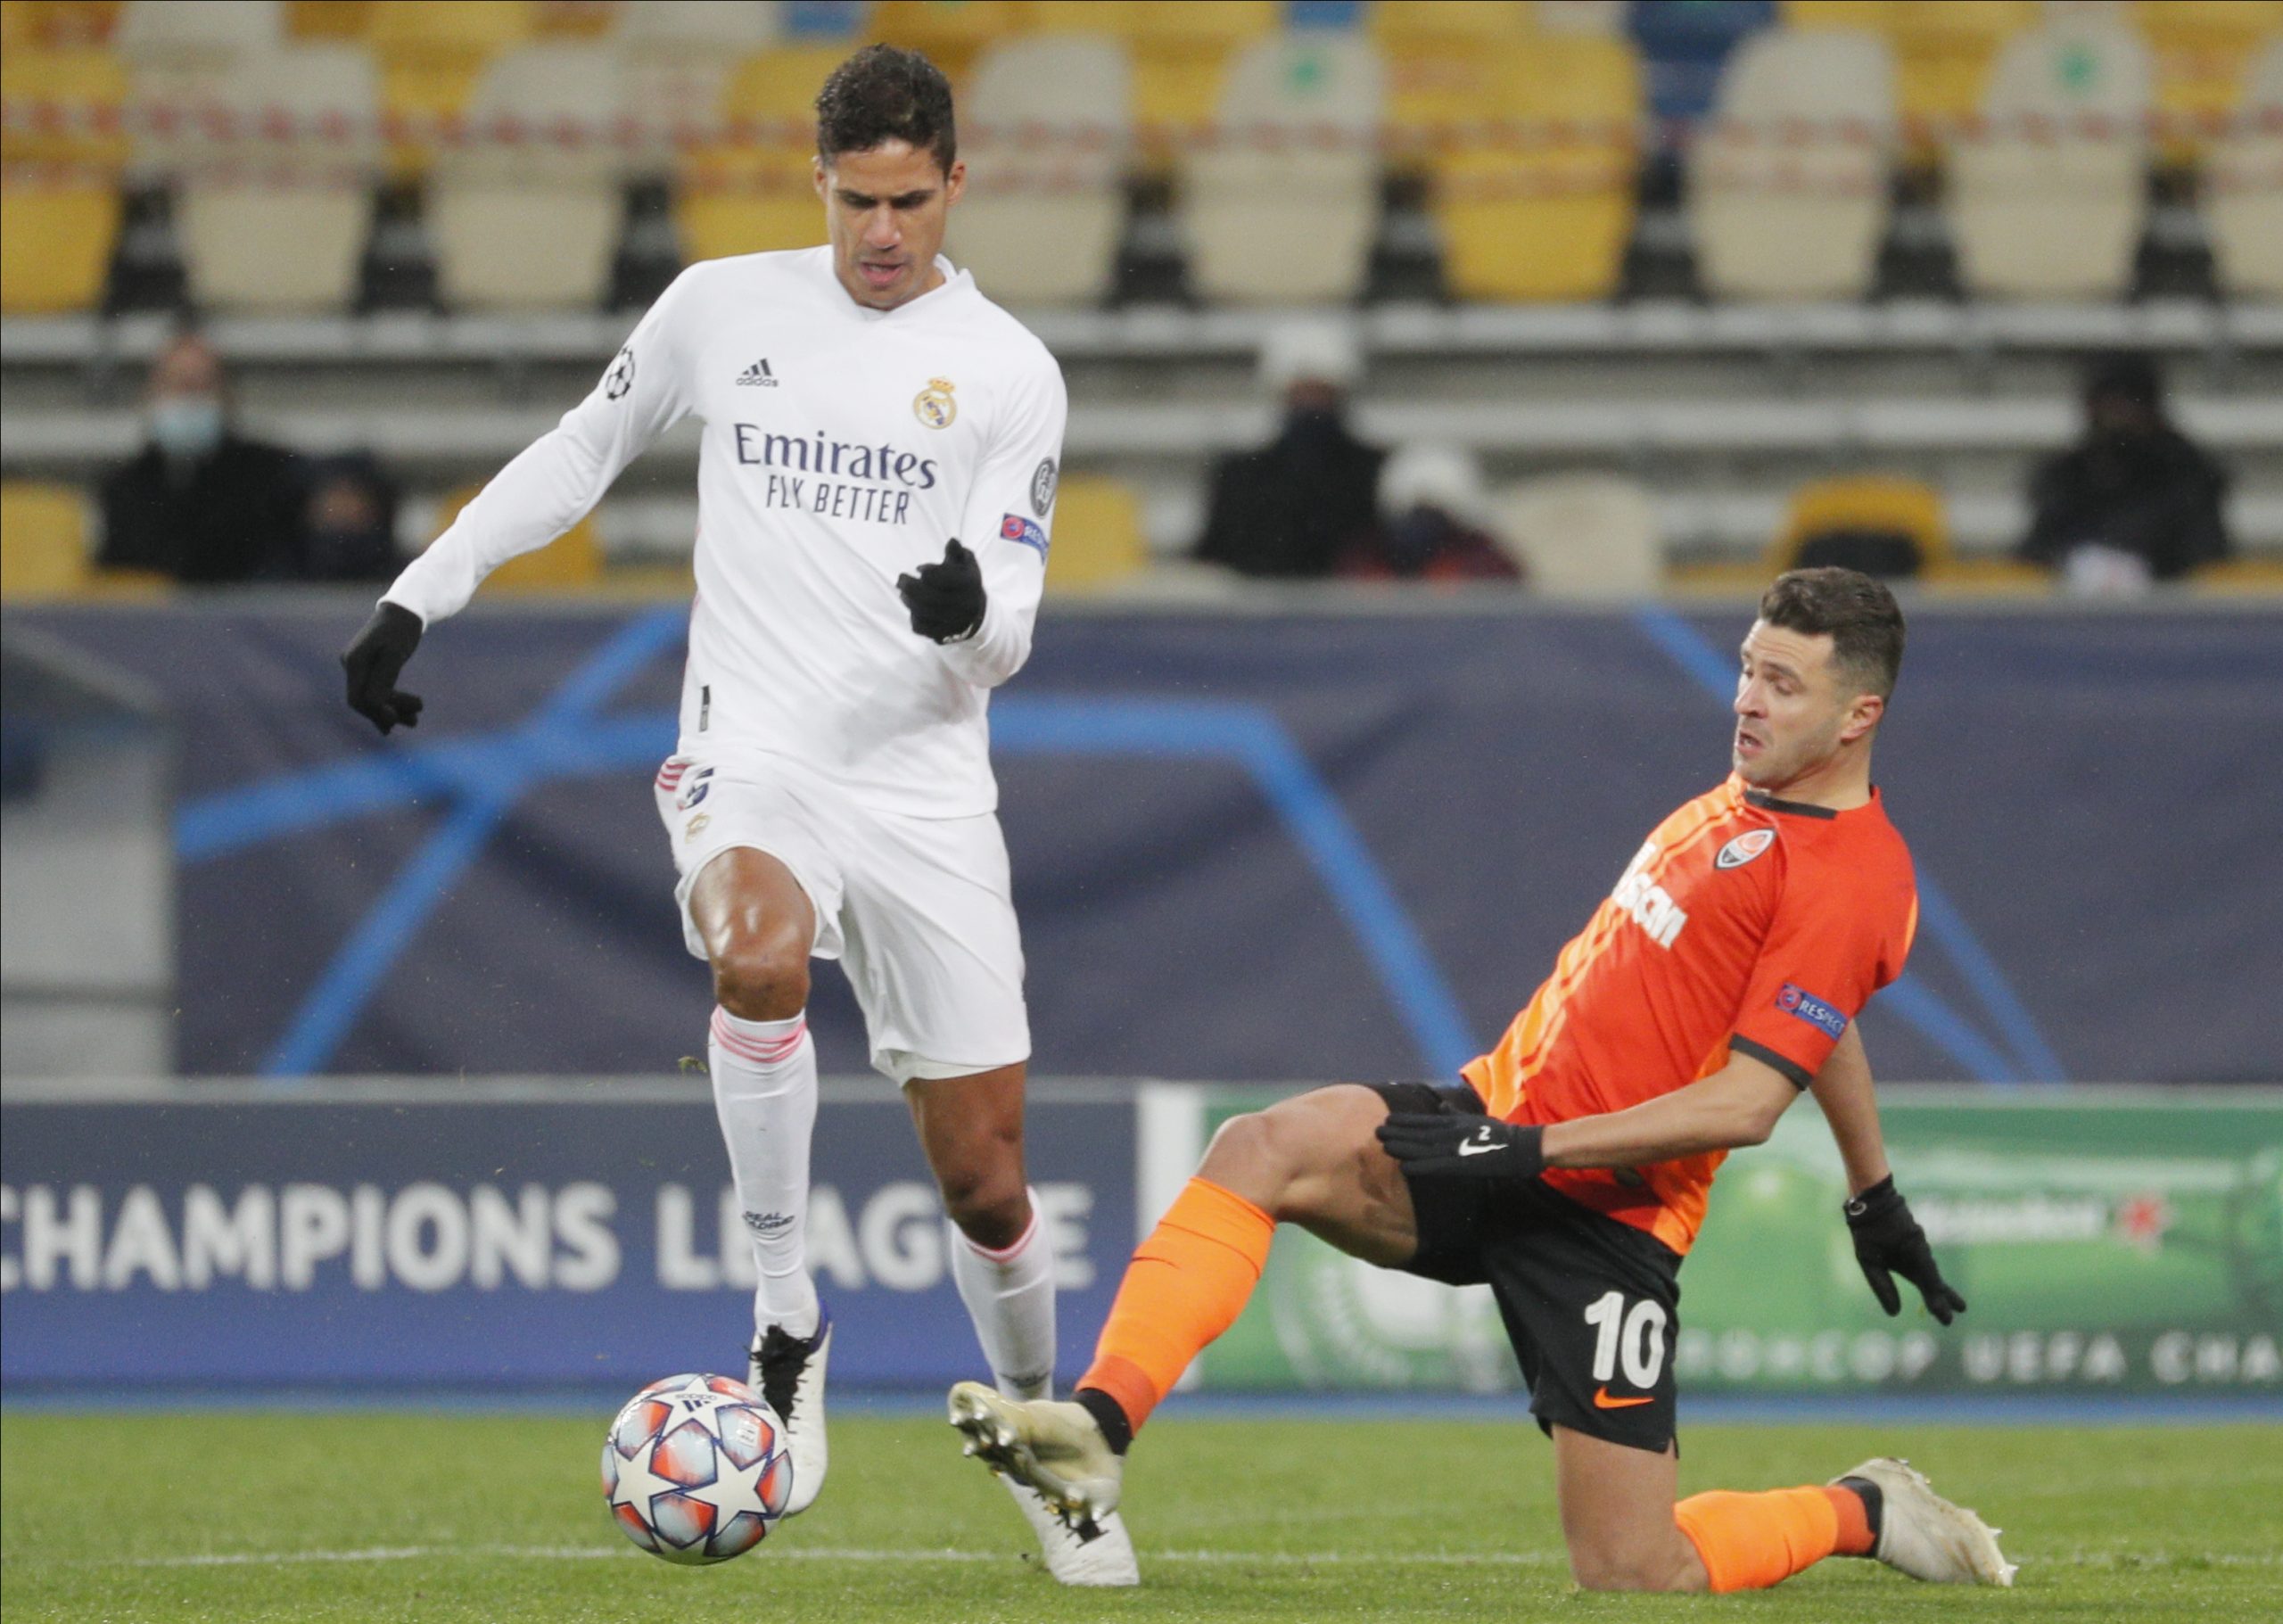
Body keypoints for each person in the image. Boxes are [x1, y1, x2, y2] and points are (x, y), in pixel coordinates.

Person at [337, 45, 1135, 1586]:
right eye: (856, 202)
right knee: (755, 959)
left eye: (910, 201)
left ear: (957, 186)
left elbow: (1012, 619)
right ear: (817, 183)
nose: (882, 233)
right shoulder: (720, 307)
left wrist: (969, 615)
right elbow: (583, 449)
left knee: (987, 1182)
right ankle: (786, 1312)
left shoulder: (1013, 369)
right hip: (751, 756)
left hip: (923, 789)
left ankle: (1048, 1448)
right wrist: (414, 597)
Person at [951, 568, 2016, 1595]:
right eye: (1746, 666)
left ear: (1856, 716)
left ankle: (1862, 1511)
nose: (1745, 699)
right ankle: (1097, 1429)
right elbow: (1805, 1015)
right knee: (1260, 1147)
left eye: (1783, 684)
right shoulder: (1752, 796)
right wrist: (1869, 1190)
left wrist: (1535, 1153)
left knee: (1635, 1573)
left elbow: (1749, 1098)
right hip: (1490, 1124)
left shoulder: (1849, 877)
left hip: (1608, 1219)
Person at [98, 331, 305, 583]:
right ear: (150, 395)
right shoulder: (123, 488)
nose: (189, 400)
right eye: (179, 385)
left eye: (201, 387)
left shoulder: (269, 474)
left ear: (226, 397)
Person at [2018, 352, 2230, 593]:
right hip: (2078, 615)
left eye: (2128, 403)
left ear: (2151, 409)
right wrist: (2077, 564)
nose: (2117, 416)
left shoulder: (2188, 475)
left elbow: (2208, 557)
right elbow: (2034, 552)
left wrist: (2147, 570)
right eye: (2108, 403)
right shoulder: (2067, 476)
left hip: (2169, 614)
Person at [1193, 319, 1386, 578]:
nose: (1310, 406)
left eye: (1321, 393)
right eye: (1301, 393)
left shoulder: (1374, 471)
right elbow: (1215, 558)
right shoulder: (1240, 475)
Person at [1339, 441, 1521, 583]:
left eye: (1435, 508)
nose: (1423, 520)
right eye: (1416, 506)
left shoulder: (1483, 560)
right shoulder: (1367, 555)